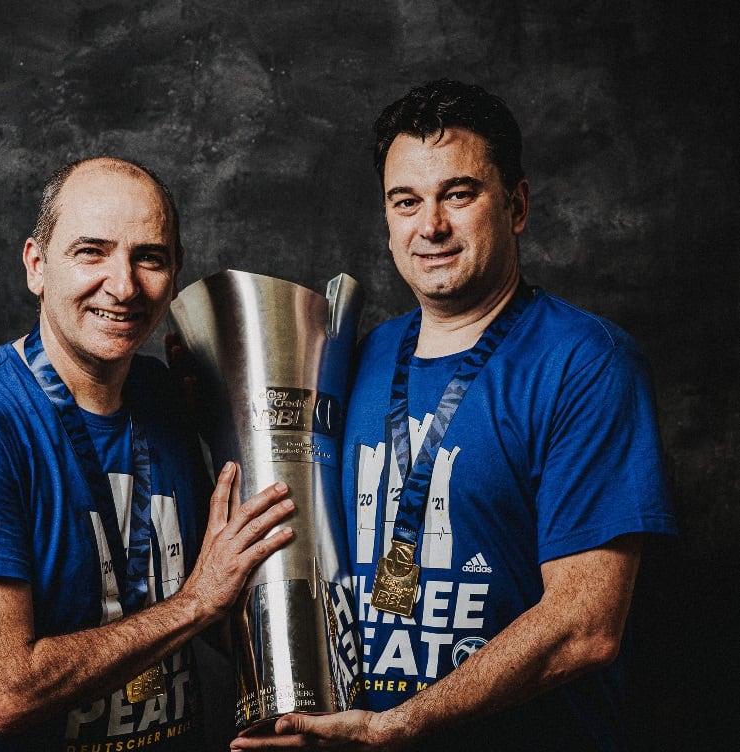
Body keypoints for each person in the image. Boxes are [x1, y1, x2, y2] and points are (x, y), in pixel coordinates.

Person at [231, 81, 676, 751]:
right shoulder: (355, 356)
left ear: (516, 205)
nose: (429, 225)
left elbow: (586, 627)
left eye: (457, 195)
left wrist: (401, 724)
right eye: (405, 201)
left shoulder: (585, 362)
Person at [0, 157, 295, 751]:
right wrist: (192, 605)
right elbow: (9, 693)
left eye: (150, 257)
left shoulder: (165, 397)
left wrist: (296, 704)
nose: (124, 285)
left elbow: (216, 595)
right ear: (37, 266)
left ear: (175, 271)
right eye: (92, 252)